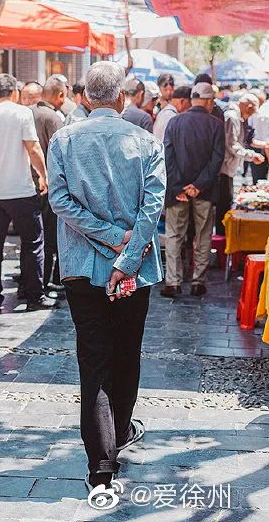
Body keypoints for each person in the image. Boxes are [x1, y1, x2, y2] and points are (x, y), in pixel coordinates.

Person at [47, 61, 165, 500]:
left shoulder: (64, 139)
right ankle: (119, 433)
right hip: (134, 268)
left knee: (94, 358)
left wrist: (109, 239)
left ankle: (101, 462)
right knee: (126, 352)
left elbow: (60, 201)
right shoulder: (146, 141)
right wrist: (125, 250)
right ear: (122, 98)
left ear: (84, 98)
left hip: (82, 266)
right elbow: (152, 207)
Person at [0, 74, 55, 313]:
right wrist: (44, 175)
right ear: (14, 93)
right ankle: (34, 296)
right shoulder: (22, 113)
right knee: (33, 243)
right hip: (20, 190)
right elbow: (34, 148)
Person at [160, 83, 225, 298]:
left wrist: (178, 187)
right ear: (208, 101)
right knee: (203, 235)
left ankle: (173, 282)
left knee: (174, 236)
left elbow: (168, 158)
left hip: (178, 191)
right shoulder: (216, 125)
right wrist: (199, 185)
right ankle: (198, 282)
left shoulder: (175, 122)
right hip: (204, 191)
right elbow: (217, 160)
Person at [33, 76, 67, 289]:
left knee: (33, 239)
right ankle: (42, 284)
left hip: (27, 185)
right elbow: (62, 154)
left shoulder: (28, 113)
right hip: (49, 185)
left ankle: (32, 284)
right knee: (47, 238)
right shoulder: (53, 118)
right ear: (60, 95)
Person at [217, 93, 265, 236]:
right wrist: (251, 155)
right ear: (248, 107)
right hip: (225, 168)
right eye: (251, 112)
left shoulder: (235, 116)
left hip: (228, 167)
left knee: (226, 203)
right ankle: (223, 237)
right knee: (224, 206)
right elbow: (231, 145)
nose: (250, 116)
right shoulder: (232, 117)